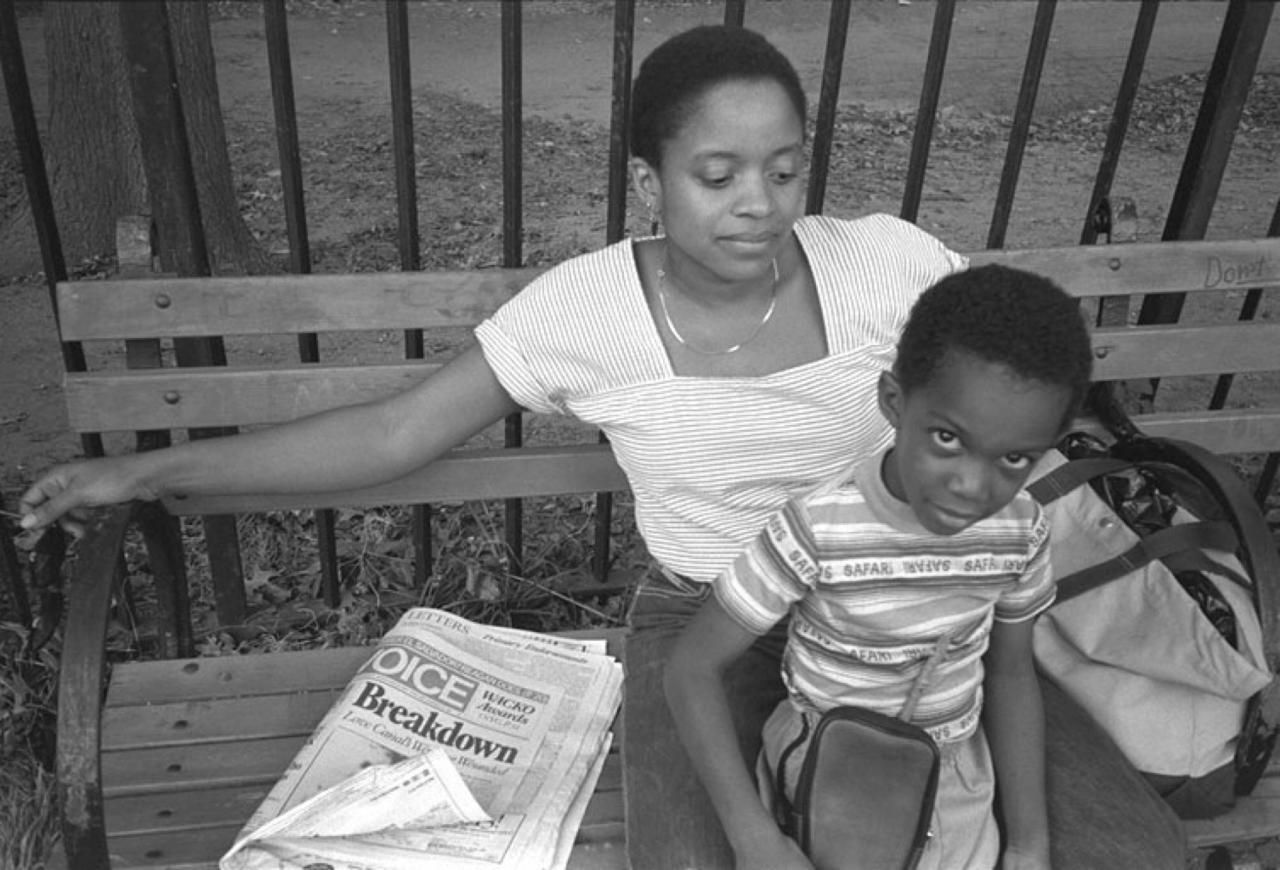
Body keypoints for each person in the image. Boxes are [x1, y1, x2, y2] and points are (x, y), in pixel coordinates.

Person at [20, 23, 1184, 870]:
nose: (760, 205)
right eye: (716, 174)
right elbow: (393, 432)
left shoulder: (883, 262)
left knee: (1121, 851)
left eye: (783, 169)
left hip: (919, 613)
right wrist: (149, 470)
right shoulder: (584, 311)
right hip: (712, 629)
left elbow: (1003, 382)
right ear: (651, 180)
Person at [665, 265, 1091, 870]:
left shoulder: (1020, 531)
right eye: (946, 438)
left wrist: (1028, 844)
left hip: (952, 776)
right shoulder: (818, 528)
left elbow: (1012, 673)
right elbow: (691, 669)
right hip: (823, 769)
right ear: (894, 402)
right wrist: (755, 839)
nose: (972, 486)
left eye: (1015, 457)